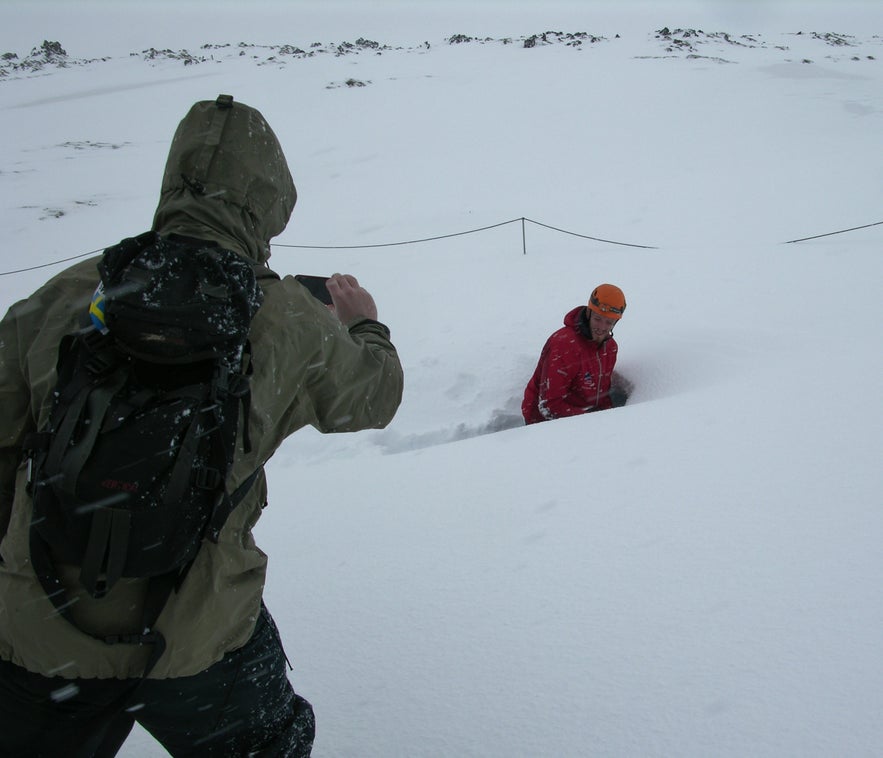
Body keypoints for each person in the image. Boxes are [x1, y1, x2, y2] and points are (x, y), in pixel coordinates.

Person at [0, 95, 404, 757]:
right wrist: (364, 323)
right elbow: (375, 398)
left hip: (39, 626)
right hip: (198, 631)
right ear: (270, 199)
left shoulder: (68, 294)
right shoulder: (286, 318)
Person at [522, 283, 626, 424]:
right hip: (544, 424)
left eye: (609, 322)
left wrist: (608, 418)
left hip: (585, 418)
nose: (602, 327)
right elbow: (549, 405)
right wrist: (591, 421)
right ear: (589, 313)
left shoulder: (610, 348)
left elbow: (602, 396)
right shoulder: (564, 345)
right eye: (597, 319)